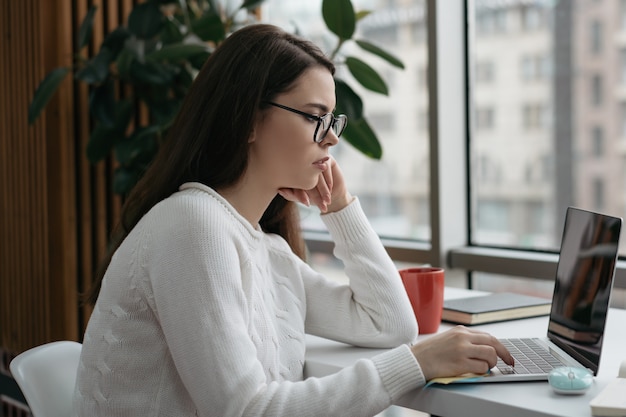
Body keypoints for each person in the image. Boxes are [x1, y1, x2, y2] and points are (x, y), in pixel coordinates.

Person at [72, 23, 513, 417]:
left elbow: (391, 324)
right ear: (248, 119)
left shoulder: (264, 248)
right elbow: (244, 410)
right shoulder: (193, 226)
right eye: (315, 117)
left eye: (331, 119)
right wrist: (418, 363)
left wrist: (341, 209)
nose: (333, 136)